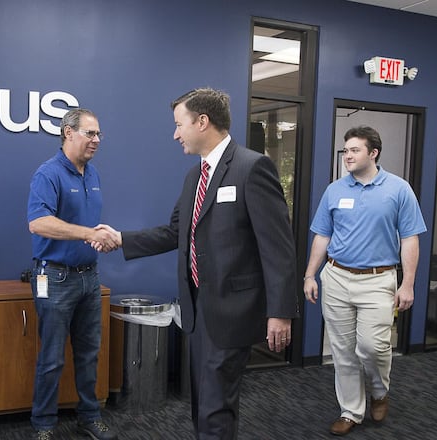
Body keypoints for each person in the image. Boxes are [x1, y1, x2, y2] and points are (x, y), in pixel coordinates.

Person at [95, 88, 298, 439]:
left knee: (216, 402)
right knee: (203, 399)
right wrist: (122, 238)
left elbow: (278, 247)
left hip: (233, 309)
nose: (175, 134)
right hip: (197, 307)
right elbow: (175, 232)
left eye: (179, 124)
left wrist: (280, 312)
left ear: (202, 122)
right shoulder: (195, 176)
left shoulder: (252, 168)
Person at [302, 126, 426, 436]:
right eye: (345, 150)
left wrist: (407, 283)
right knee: (343, 350)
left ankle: (380, 392)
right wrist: (309, 275)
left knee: (372, 347)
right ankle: (351, 412)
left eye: (355, 150)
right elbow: (322, 235)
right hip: (336, 276)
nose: (348, 156)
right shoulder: (335, 190)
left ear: (374, 153)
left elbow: (410, 239)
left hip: (378, 280)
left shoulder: (398, 189)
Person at [26, 108, 119, 440]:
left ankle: (89, 416)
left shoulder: (92, 174)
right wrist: (86, 234)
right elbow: (38, 223)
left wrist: (100, 238)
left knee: (89, 353)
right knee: (51, 358)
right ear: (68, 132)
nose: (96, 140)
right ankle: (44, 424)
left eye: (99, 135)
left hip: (89, 278)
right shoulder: (48, 174)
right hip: (54, 278)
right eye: (90, 134)